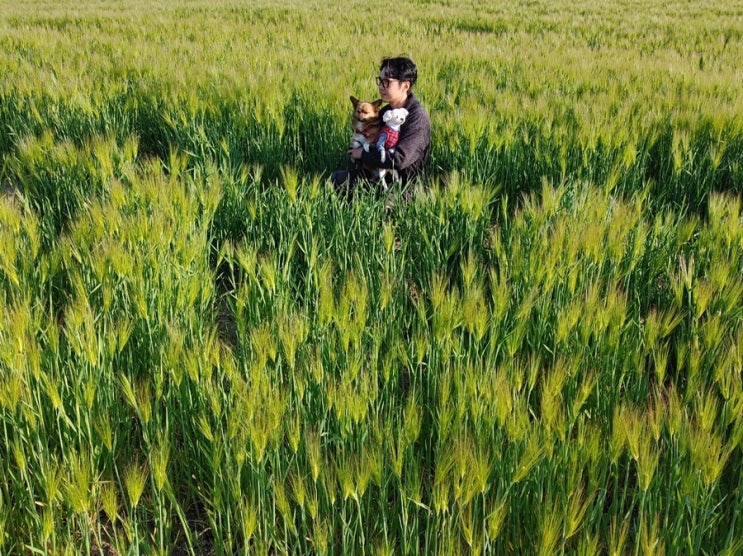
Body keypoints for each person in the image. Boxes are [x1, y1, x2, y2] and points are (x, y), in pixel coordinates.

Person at [332, 56, 431, 200]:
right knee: (335, 180)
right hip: (374, 175)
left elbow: (399, 159)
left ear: (405, 86)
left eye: (387, 82)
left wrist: (363, 154)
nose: (381, 86)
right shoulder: (384, 112)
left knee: (381, 209)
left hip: (402, 186)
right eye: (380, 81)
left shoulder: (417, 118)